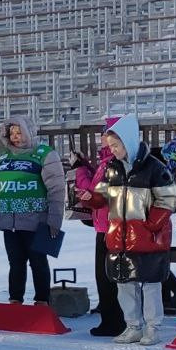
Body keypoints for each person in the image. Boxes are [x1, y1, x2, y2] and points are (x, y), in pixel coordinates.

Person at [91, 113, 176, 345]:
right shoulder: (112, 168)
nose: (113, 150)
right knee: (124, 283)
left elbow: (169, 199)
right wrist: (88, 197)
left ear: (128, 141)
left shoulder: (154, 168)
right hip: (119, 237)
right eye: (110, 146)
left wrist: (151, 225)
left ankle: (152, 327)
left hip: (148, 237)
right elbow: (100, 197)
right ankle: (133, 326)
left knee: (150, 284)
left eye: (116, 145)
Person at [0, 116, 65, 304]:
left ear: (29, 132)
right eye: (11, 133)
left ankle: (42, 301)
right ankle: (15, 300)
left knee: (38, 262)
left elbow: (57, 190)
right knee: (15, 263)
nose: (15, 137)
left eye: (19, 132)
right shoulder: (4, 157)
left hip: (36, 221)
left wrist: (54, 220)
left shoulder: (44, 154)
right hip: (9, 221)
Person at [76, 127, 126, 337]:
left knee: (107, 276)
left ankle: (113, 320)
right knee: (105, 275)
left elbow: (95, 191)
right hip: (104, 223)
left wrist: (79, 169)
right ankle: (111, 316)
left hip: (110, 224)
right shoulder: (106, 162)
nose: (103, 138)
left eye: (108, 135)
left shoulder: (111, 164)